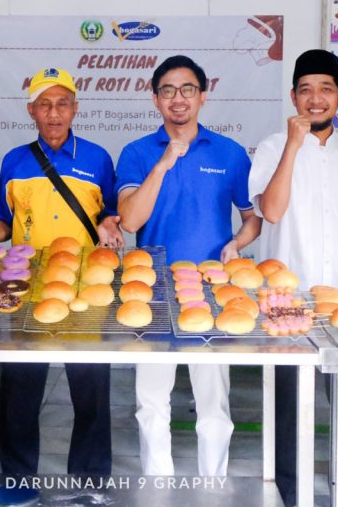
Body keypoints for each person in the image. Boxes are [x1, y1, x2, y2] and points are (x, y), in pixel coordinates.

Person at [0, 67, 122, 478]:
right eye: (45, 105)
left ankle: (90, 479)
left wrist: (110, 222)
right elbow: (4, 221)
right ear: (31, 110)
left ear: (75, 109)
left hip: (83, 291)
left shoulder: (97, 158)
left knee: (90, 388)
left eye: (62, 104)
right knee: (20, 388)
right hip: (28, 289)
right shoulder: (15, 161)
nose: (54, 113)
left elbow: (108, 213)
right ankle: (18, 479)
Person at [116, 54, 260, 476]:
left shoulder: (230, 153)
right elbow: (130, 221)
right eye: (168, 91)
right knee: (151, 402)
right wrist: (163, 164)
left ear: (202, 96)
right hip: (153, 293)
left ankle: (213, 485)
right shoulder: (137, 153)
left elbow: (252, 218)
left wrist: (237, 242)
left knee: (213, 401)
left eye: (187, 90)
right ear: (155, 98)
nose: (178, 99)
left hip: (212, 293)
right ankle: (158, 486)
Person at [248, 50, 338, 506]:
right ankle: (292, 491)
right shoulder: (272, 147)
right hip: (287, 300)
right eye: (305, 89)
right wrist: (293, 145)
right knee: (289, 404)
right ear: (293, 97)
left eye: (326, 89)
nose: (315, 98)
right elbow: (271, 211)